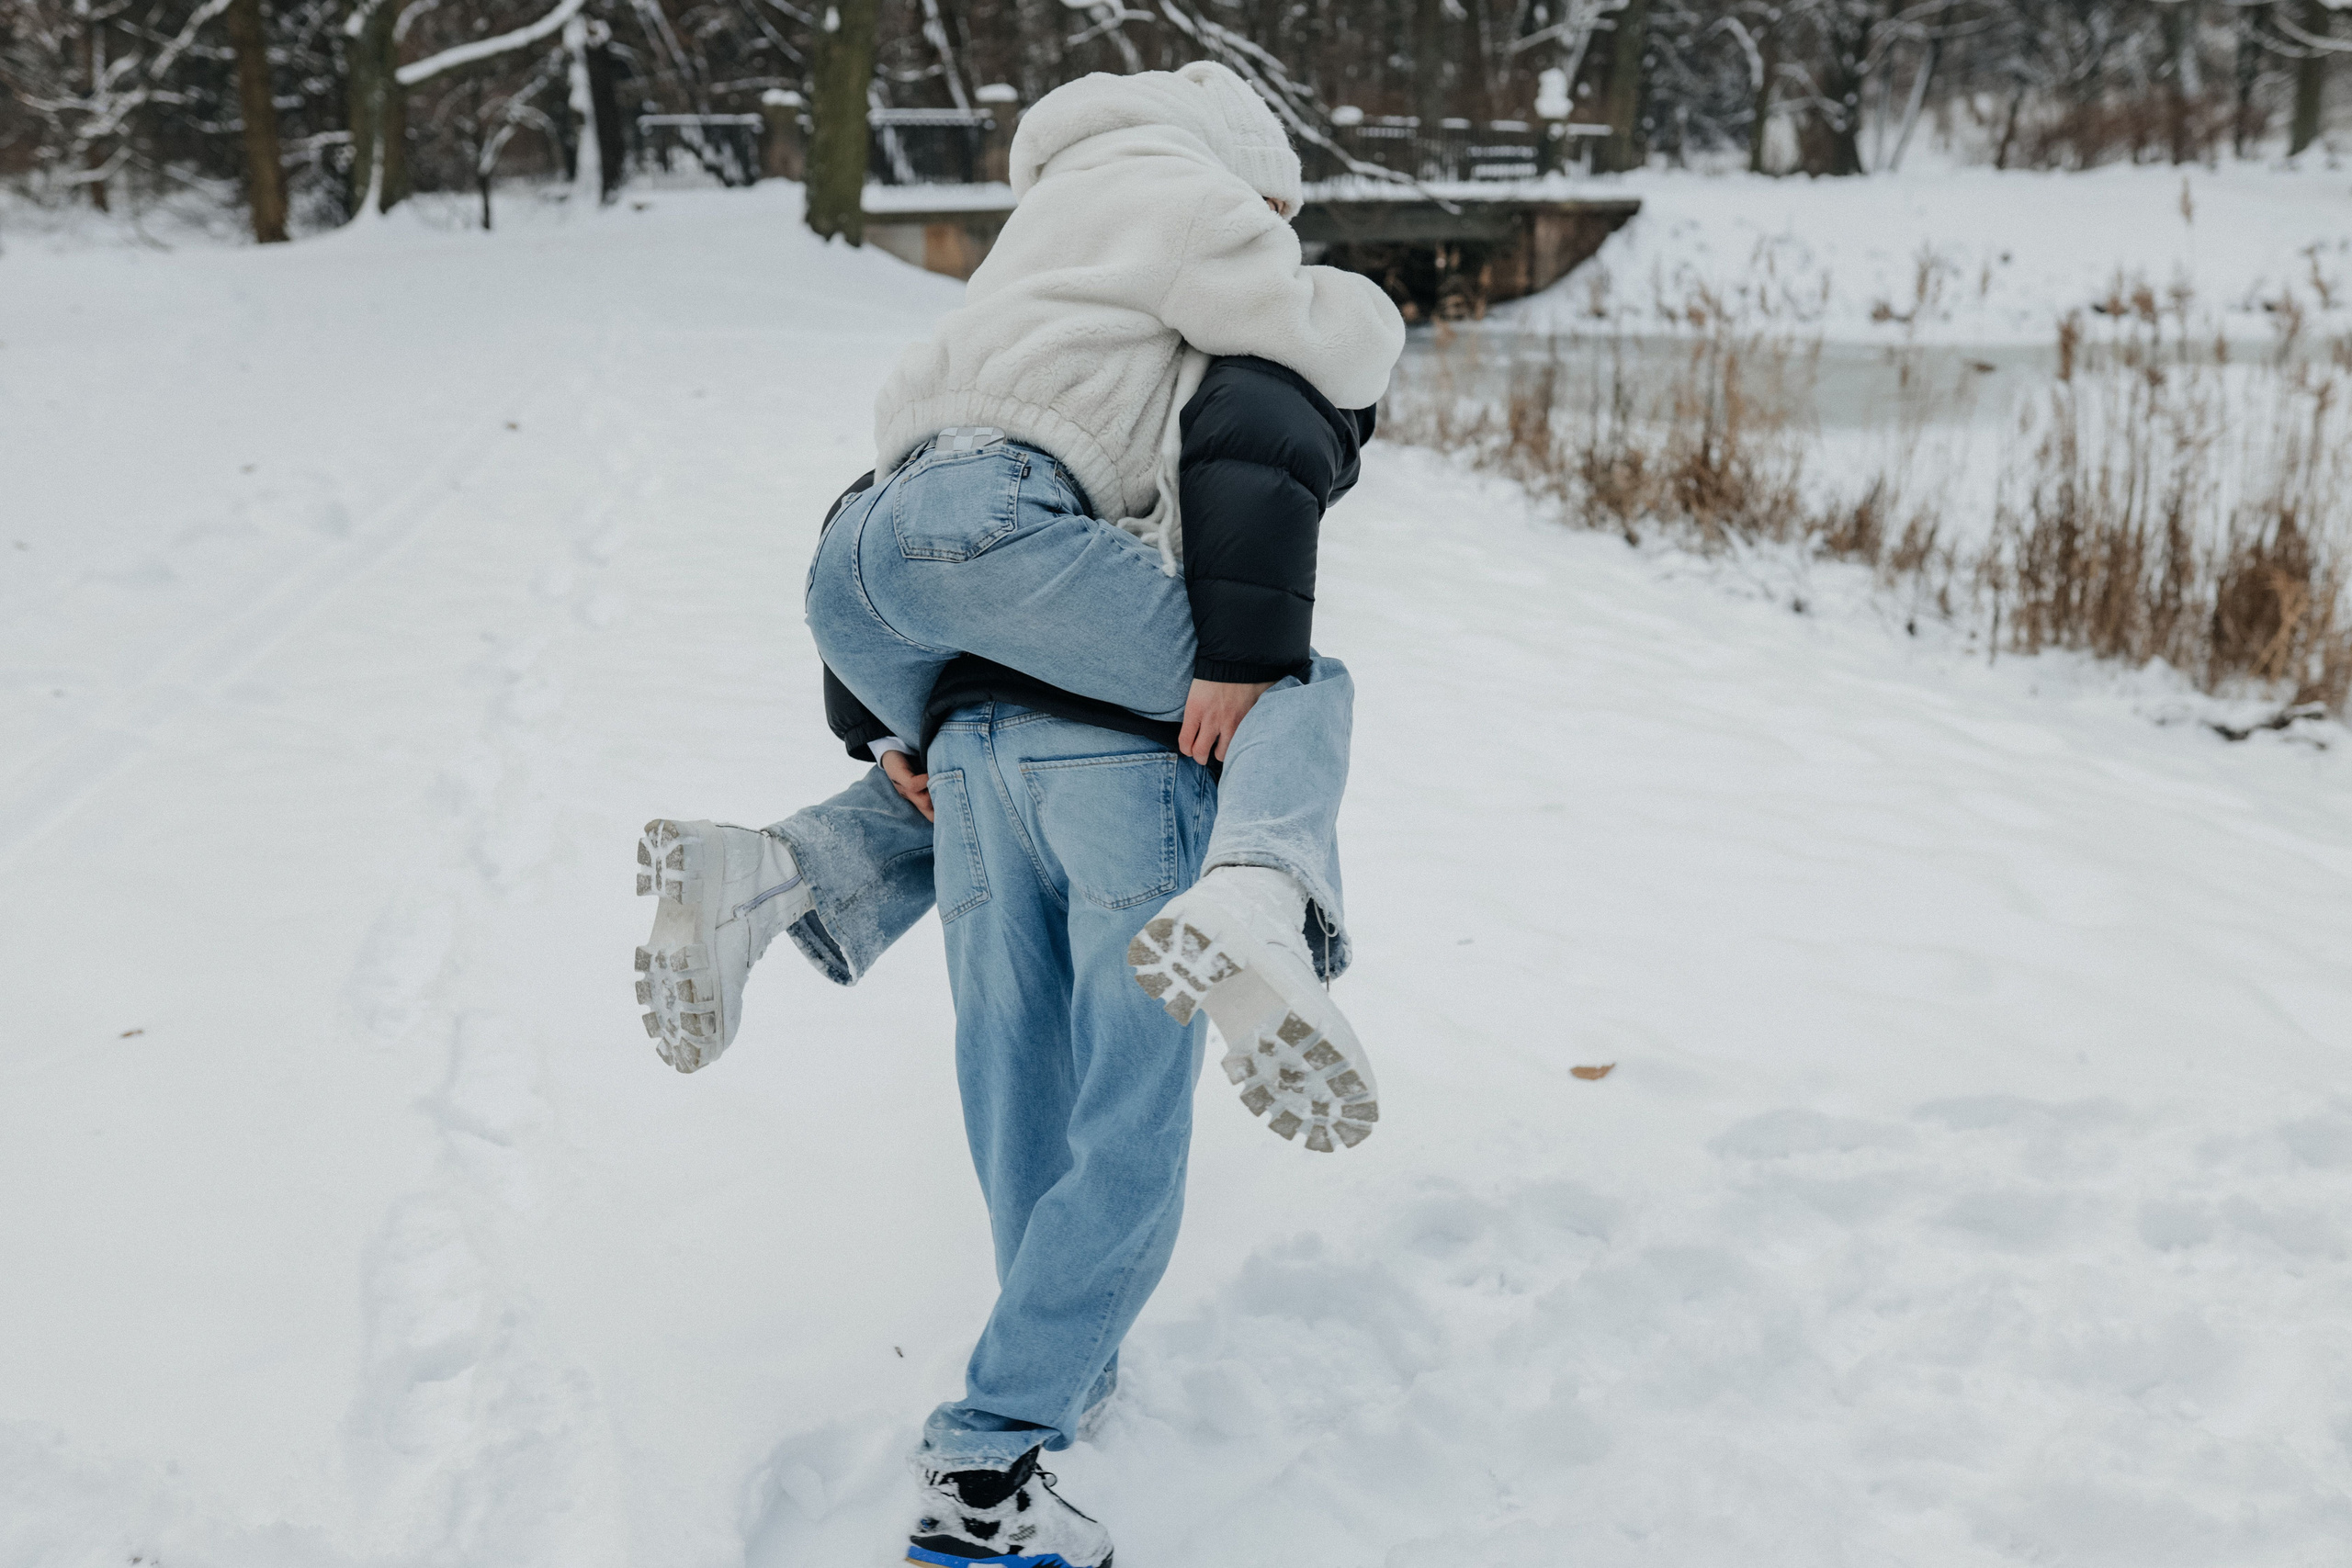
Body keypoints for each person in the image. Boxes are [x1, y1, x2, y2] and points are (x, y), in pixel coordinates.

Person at [632, 62, 1405, 1567]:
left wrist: (883, 726)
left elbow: (903, 511)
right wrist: (1251, 634)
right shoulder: (1192, 212)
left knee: (1019, 1091)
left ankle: (786, 869)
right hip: (1084, 704)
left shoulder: (1024, 264)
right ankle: (1258, 895)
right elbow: (1296, 375)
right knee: (1296, 696)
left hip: (889, 598)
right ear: (1244, 165)